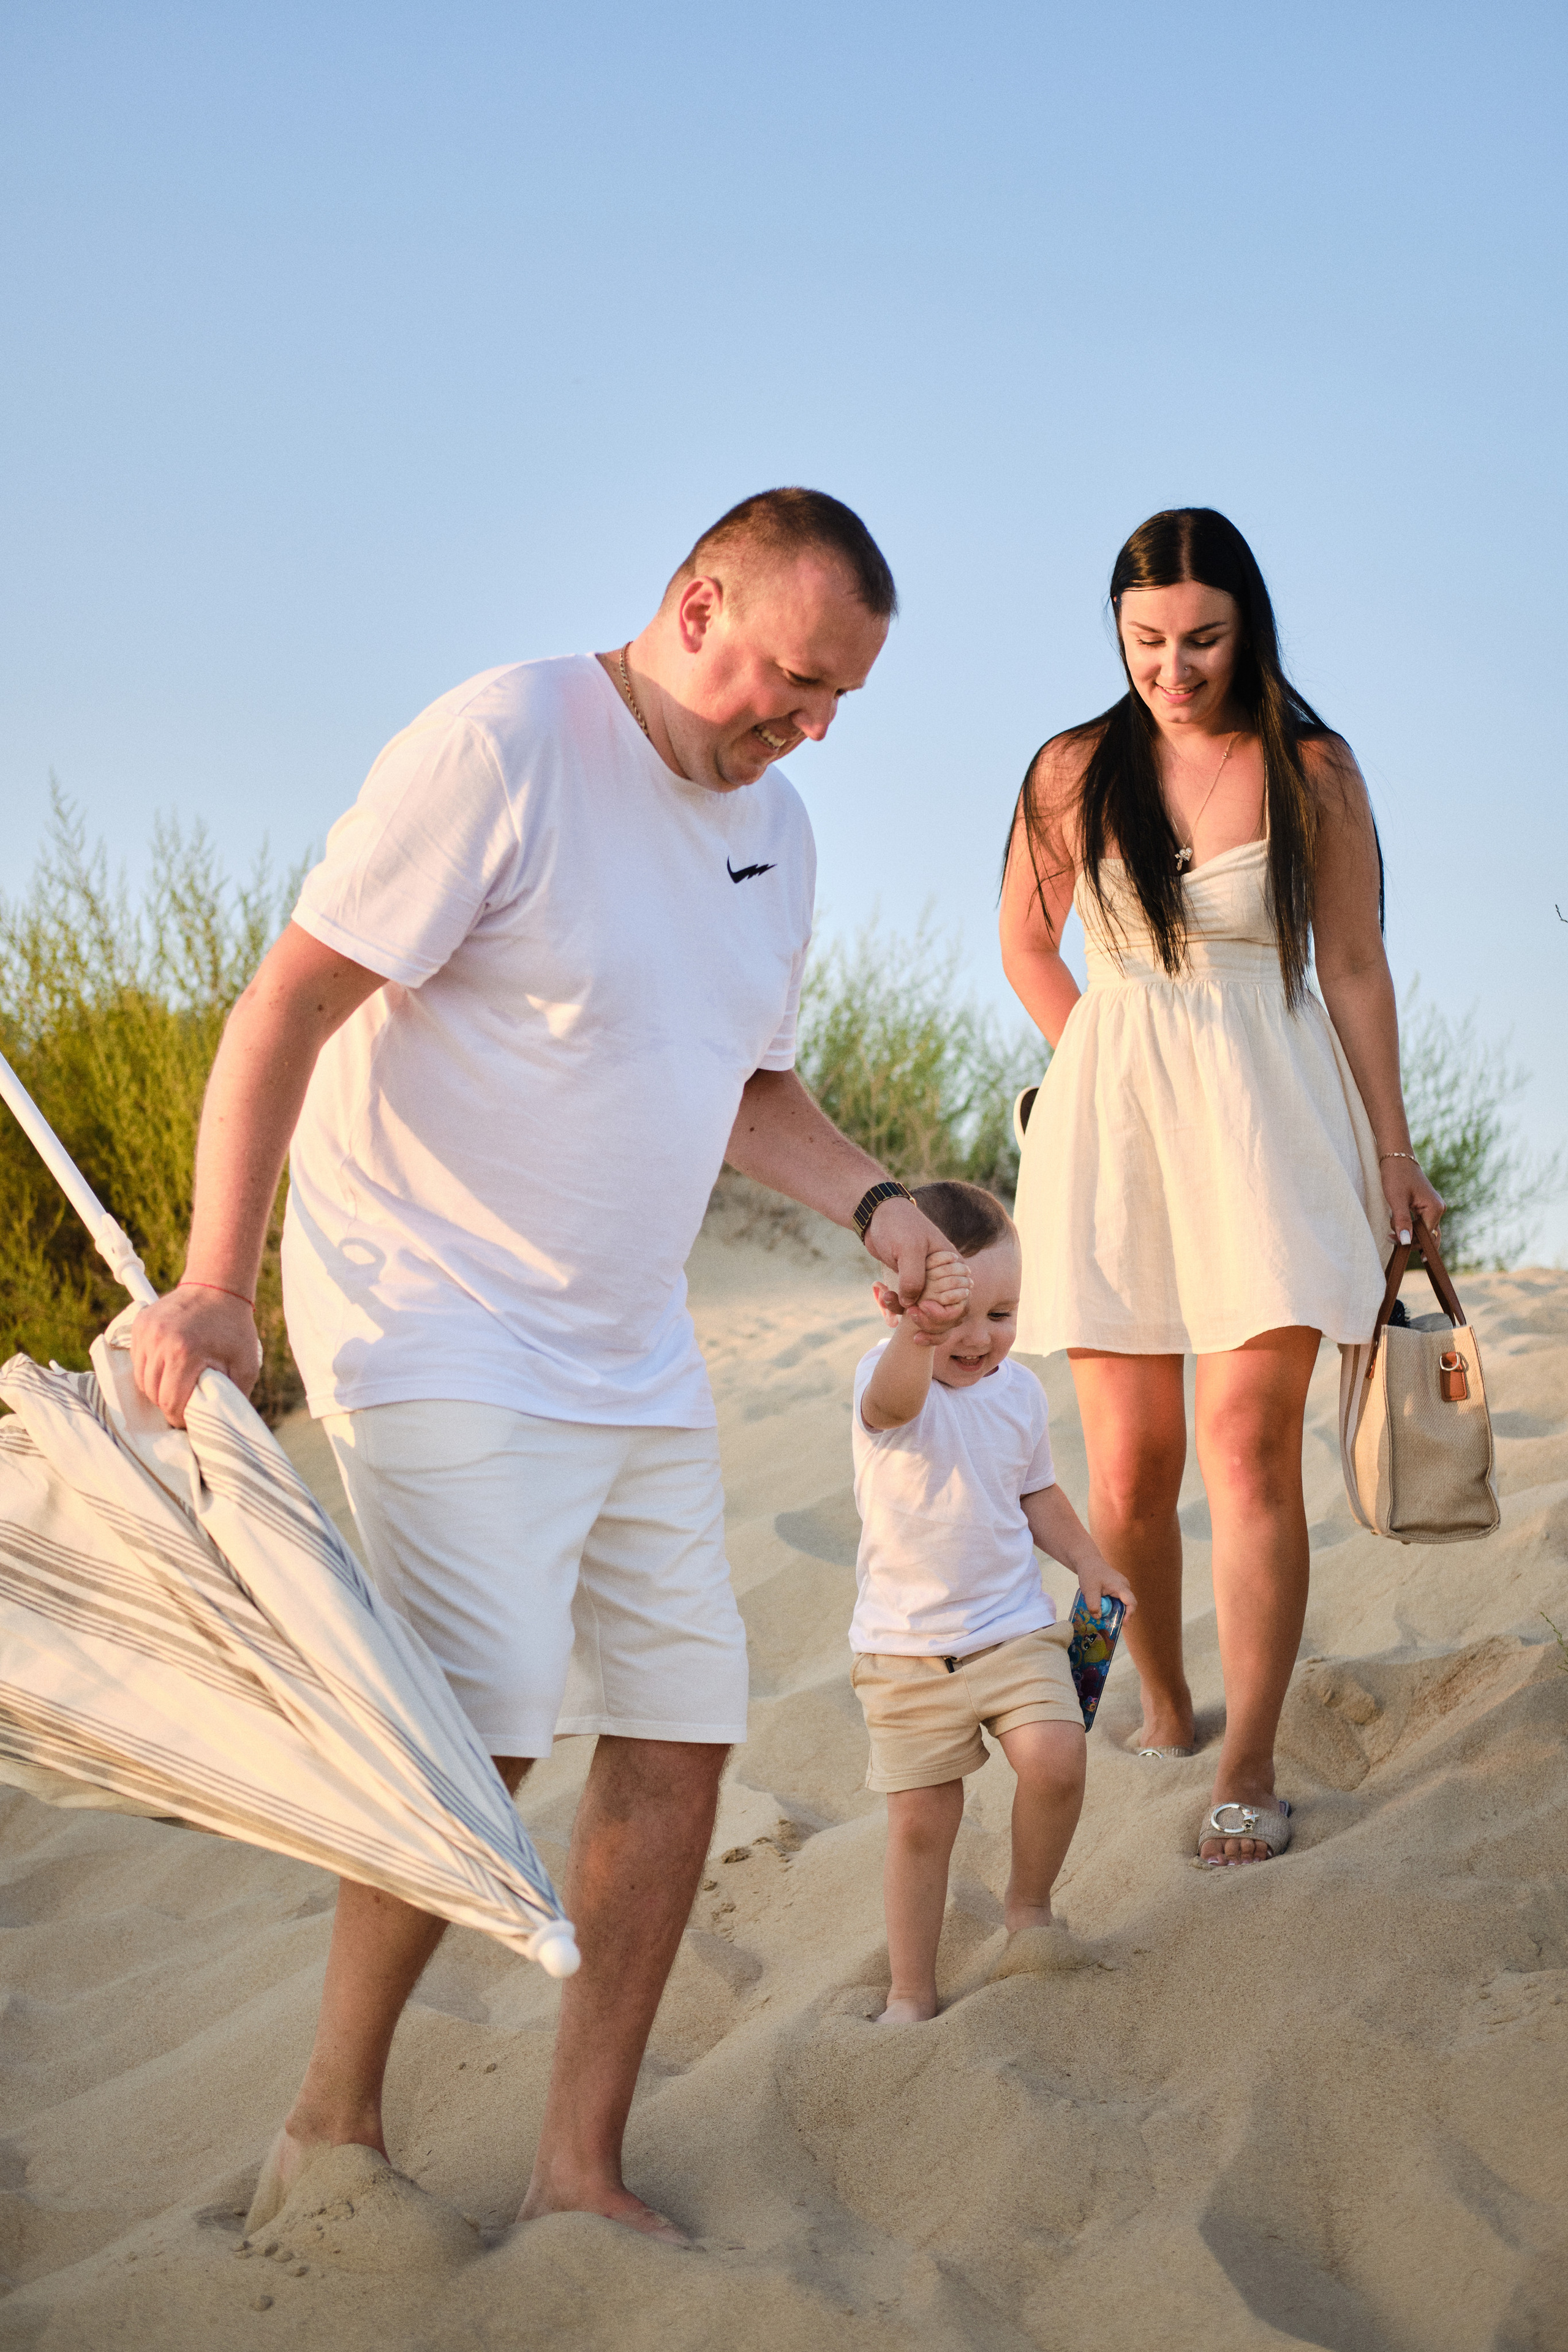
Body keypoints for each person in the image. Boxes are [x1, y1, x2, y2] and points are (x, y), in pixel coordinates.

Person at [130, 486, 962, 2244]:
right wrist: (216, 1279)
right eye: (793, 682)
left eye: (838, 705)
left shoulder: (781, 833)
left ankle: (577, 2170)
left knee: (682, 1736)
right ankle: (328, 2133)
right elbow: (284, 1004)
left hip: (629, 1338)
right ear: (695, 602)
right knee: (487, 1723)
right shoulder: (507, 740)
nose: (807, 728)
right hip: (426, 1306)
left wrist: (878, 1205)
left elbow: (746, 1082)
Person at [998, 507, 1442, 1870]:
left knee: (1248, 1450)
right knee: (1125, 1470)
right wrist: (1099, 1077)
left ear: (1243, 625)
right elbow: (1025, 944)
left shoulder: (1313, 768)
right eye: (1144, 642)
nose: (1172, 669)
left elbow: (1354, 966)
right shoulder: (1072, 768)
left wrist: (1393, 1146)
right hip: (1109, 1129)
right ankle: (1157, 1699)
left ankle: (1243, 1765)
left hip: (1271, 1125)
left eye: (1199, 639)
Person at [848, 1180, 1134, 2022]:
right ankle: (911, 1990)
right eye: (952, 1316)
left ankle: (1029, 1907)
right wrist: (916, 1335)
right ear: (894, 1308)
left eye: (1002, 1315)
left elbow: (1037, 1493)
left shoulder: (1019, 1395)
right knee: (920, 1825)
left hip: (1014, 1632)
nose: (978, 1339)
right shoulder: (891, 1377)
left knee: (1056, 1759)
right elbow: (891, 1405)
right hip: (905, 1653)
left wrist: (1088, 1562)